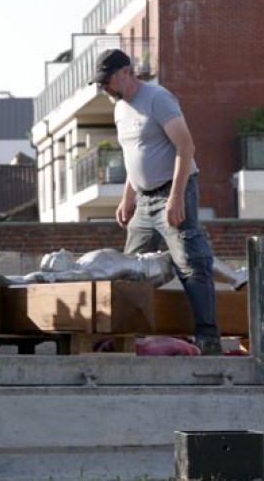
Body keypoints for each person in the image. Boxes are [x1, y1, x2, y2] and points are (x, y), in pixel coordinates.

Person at [88, 48, 221, 355]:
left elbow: (186, 146)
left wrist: (176, 197)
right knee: (130, 269)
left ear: (124, 72)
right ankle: (128, 339)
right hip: (144, 202)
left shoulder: (157, 99)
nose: (103, 87)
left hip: (173, 193)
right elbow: (134, 156)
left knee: (191, 262)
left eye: (106, 81)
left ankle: (208, 338)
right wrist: (127, 198)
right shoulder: (120, 109)